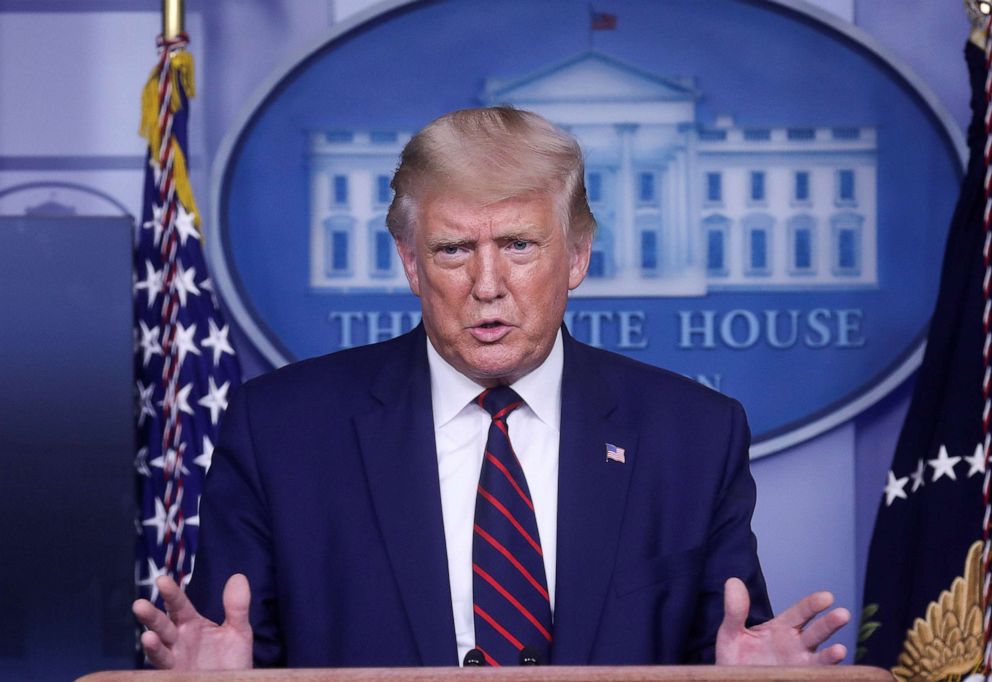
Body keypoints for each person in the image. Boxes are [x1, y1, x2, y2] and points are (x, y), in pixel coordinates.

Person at [133, 106, 849, 670]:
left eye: (518, 245)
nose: (486, 285)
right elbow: (235, 645)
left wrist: (754, 680)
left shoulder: (691, 434)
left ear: (577, 257)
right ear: (411, 264)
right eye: (453, 250)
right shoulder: (283, 430)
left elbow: (724, 644)